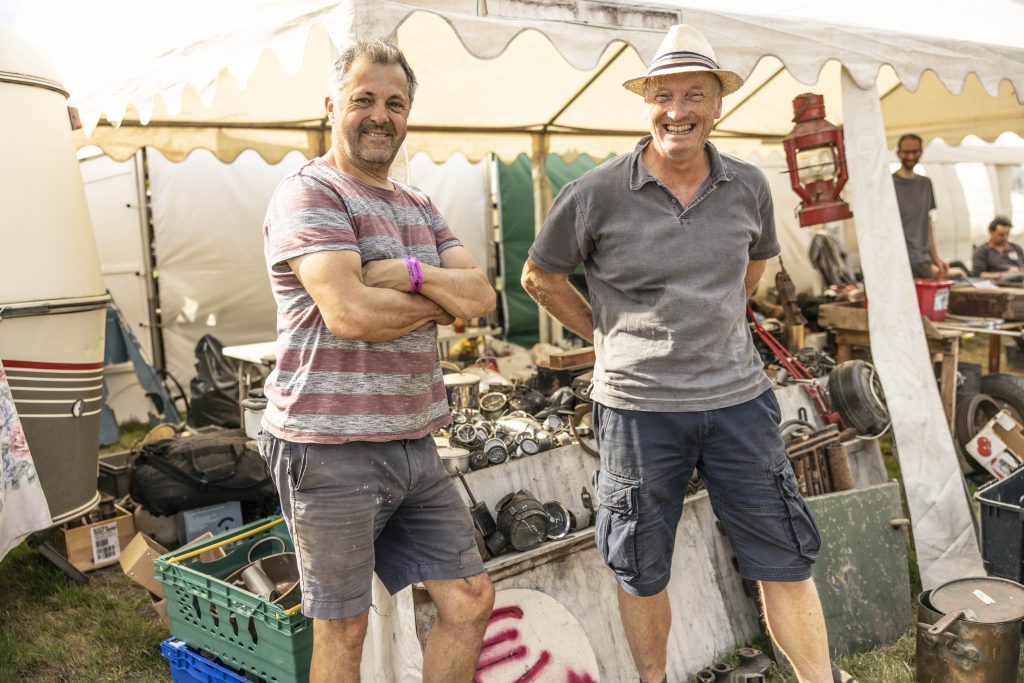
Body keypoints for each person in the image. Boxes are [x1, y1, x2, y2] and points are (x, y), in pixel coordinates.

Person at [522, 24, 847, 683]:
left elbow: (751, 272)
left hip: (739, 402)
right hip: (638, 412)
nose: (678, 110)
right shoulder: (594, 193)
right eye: (663, 95)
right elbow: (540, 277)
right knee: (640, 564)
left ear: (718, 103)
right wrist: (607, 336)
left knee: (784, 555)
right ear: (646, 103)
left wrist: (714, 321)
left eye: (694, 94)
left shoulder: (750, 186)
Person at [260, 39, 496, 683]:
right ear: (333, 104)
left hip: (412, 441)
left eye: (395, 103)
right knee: (344, 629)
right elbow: (350, 314)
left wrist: (407, 273)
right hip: (329, 445)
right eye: (364, 99)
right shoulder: (310, 193)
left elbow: (482, 296)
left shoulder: (418, 205)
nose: (379, 115)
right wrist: (438, 301)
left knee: (470, 600)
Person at [892, 133, 949, 279]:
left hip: (922, 262)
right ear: (898, 153)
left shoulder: (925, 184)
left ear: (921, 153)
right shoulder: (889, 185)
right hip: (897, 261)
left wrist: (936, 258)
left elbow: (927, 223)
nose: (910, 156)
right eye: (906, 152)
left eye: (914, 152)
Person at [972, 216, 1024, 280]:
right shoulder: (982, 251)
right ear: (991, 232)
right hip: (996, 285)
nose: (1005, 237)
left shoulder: (1016, 248)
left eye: (1007, 234)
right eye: (1001, 235)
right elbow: (979, 275)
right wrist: (1004, 274)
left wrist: (1019, 270)